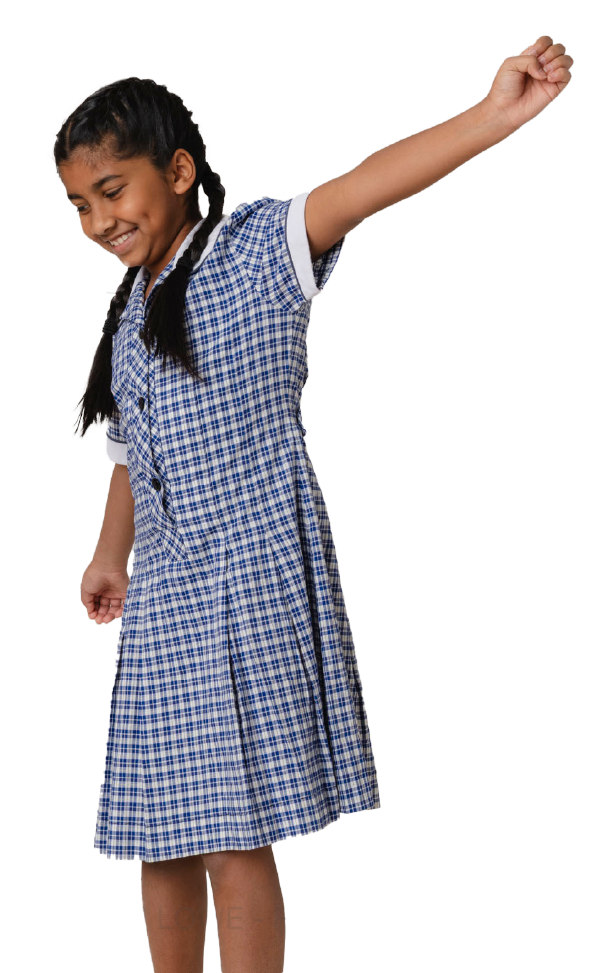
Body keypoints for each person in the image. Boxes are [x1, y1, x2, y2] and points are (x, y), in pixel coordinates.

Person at [50, 34, 572, 973]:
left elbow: (369, 182)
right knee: (159, 827)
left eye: (111, 191)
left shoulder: (254, 251)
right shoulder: (130, 309)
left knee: (229, 826)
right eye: (80, 204)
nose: (97, 220)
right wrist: (108, 553)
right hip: (166, 592)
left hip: (247, 571)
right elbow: (129, 448)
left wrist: (493, 114)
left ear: (178, 172)